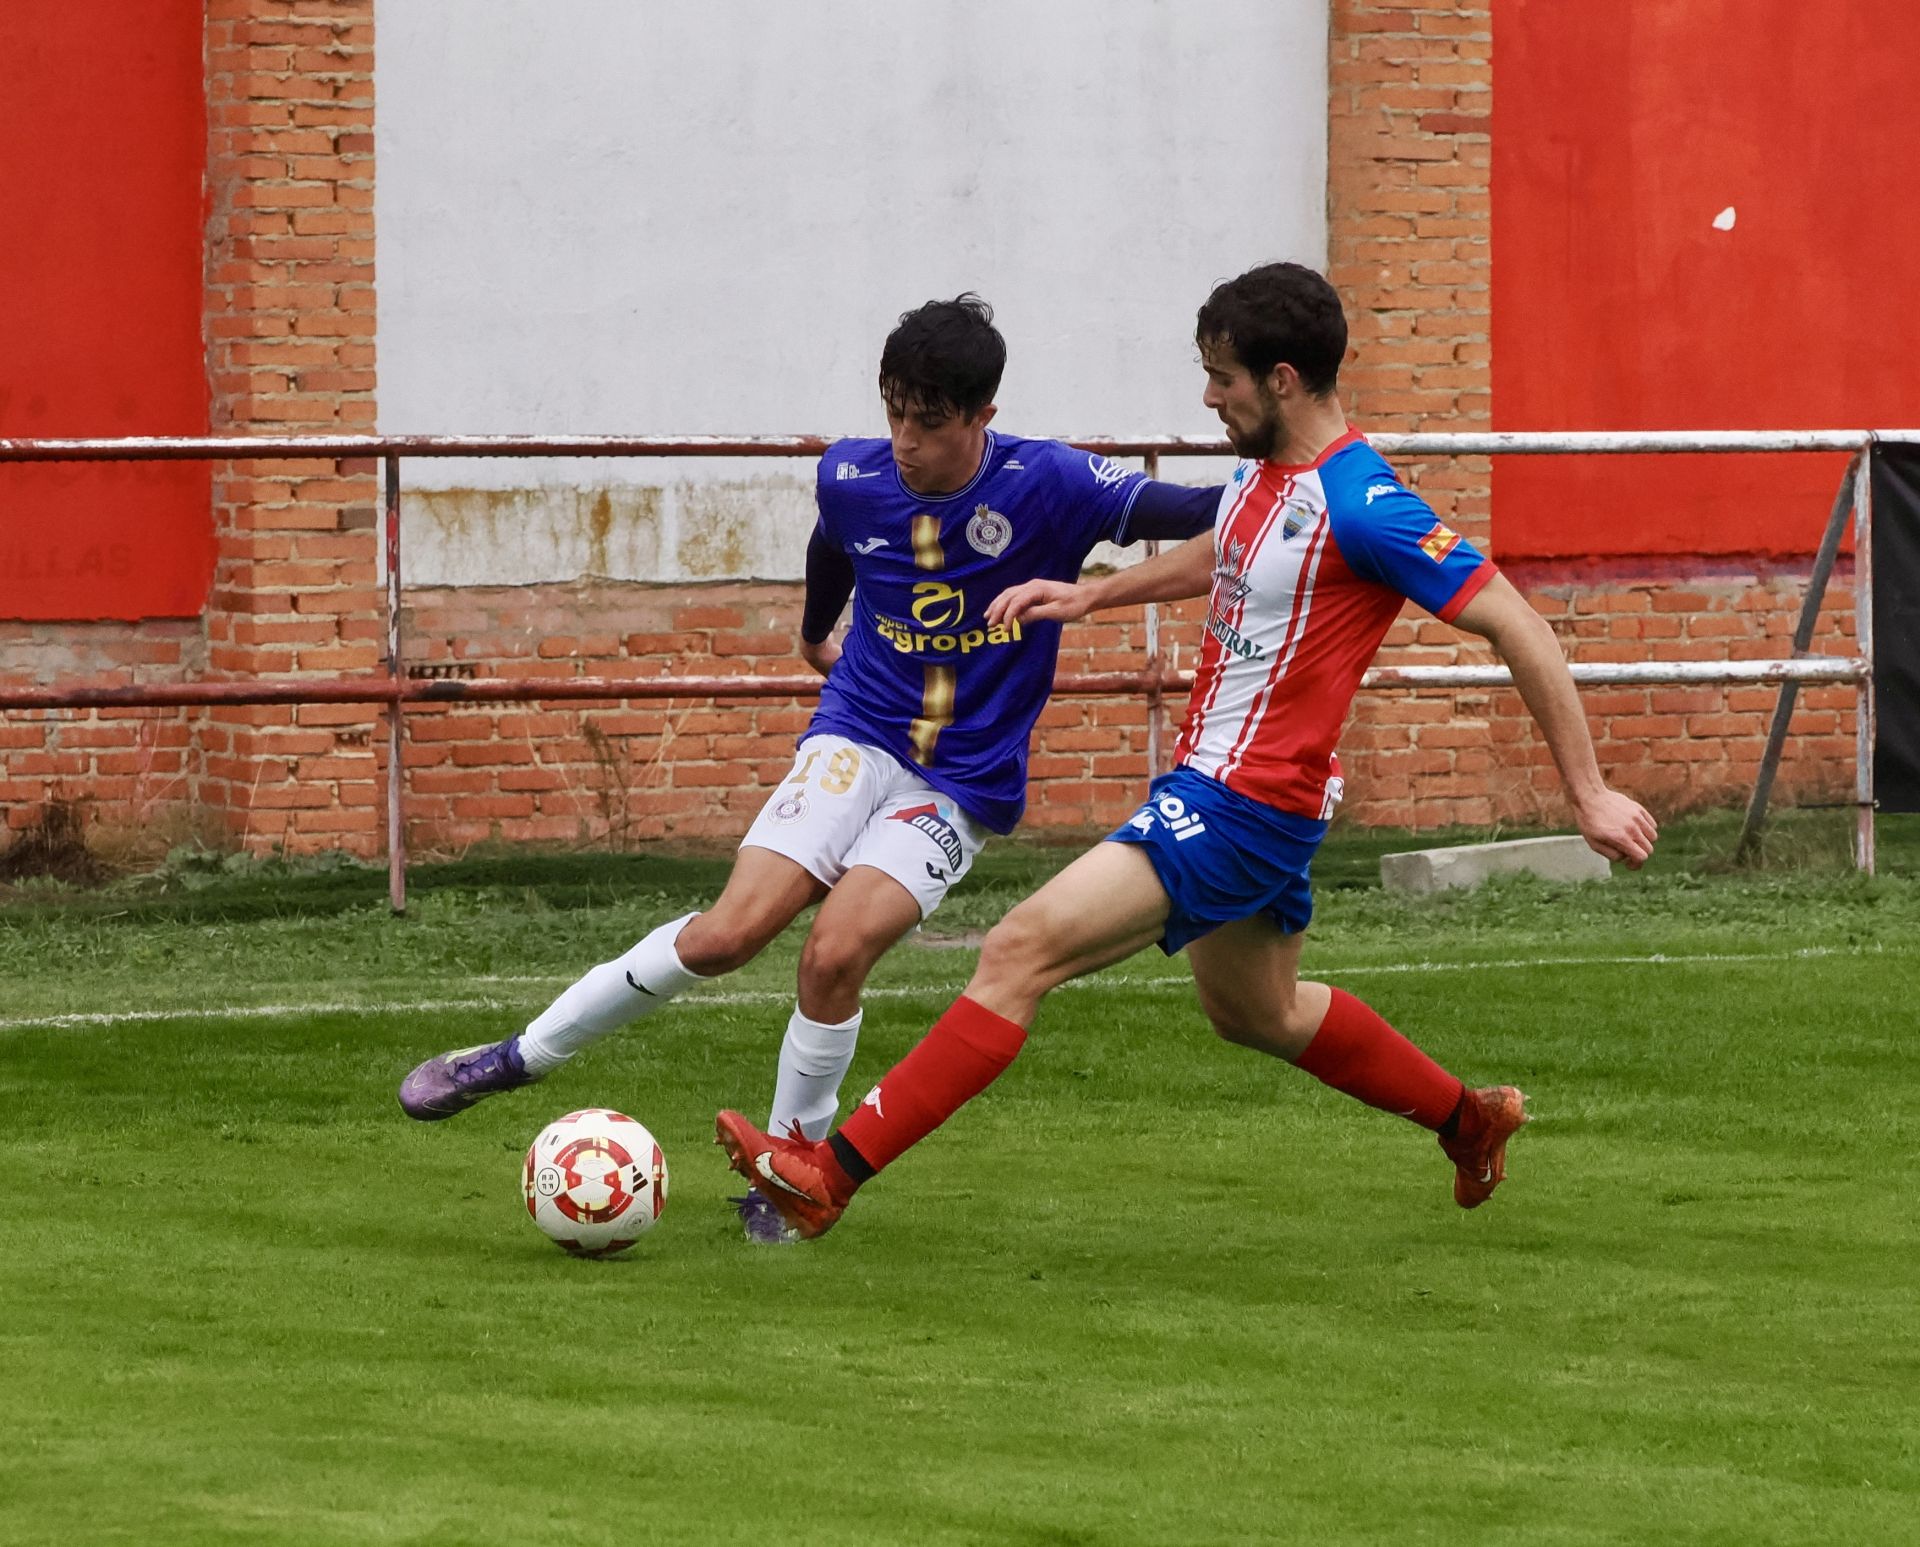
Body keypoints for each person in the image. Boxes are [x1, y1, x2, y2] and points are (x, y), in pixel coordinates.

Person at [716, 261, 1660, 1239]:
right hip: (1240, 795)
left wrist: (1585, 793)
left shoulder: (1366, 506)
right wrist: (1088, 593)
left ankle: (828, 1174)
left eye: (1224, 379)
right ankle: (1471, 1117)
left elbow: (1516, 622)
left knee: (1017, 951)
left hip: (1241, 802)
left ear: (1283, 379)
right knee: (1260, 1011)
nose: (1208, 397)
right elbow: (1228, 547)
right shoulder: (1265, 478)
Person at [397, 295, 1220, 1241]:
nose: (905, 440)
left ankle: (787, 1172)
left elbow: (1207, 511)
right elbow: (833, 542)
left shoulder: (1055, 483)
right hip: (856, 728)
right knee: (724, 938)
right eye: (894, 412)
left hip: (961, 780)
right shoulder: (852, 474)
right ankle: (514, 1057)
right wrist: (810, 634)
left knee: (834, 954)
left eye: (930, 421)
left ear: (982, 417)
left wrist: (1293, 474)